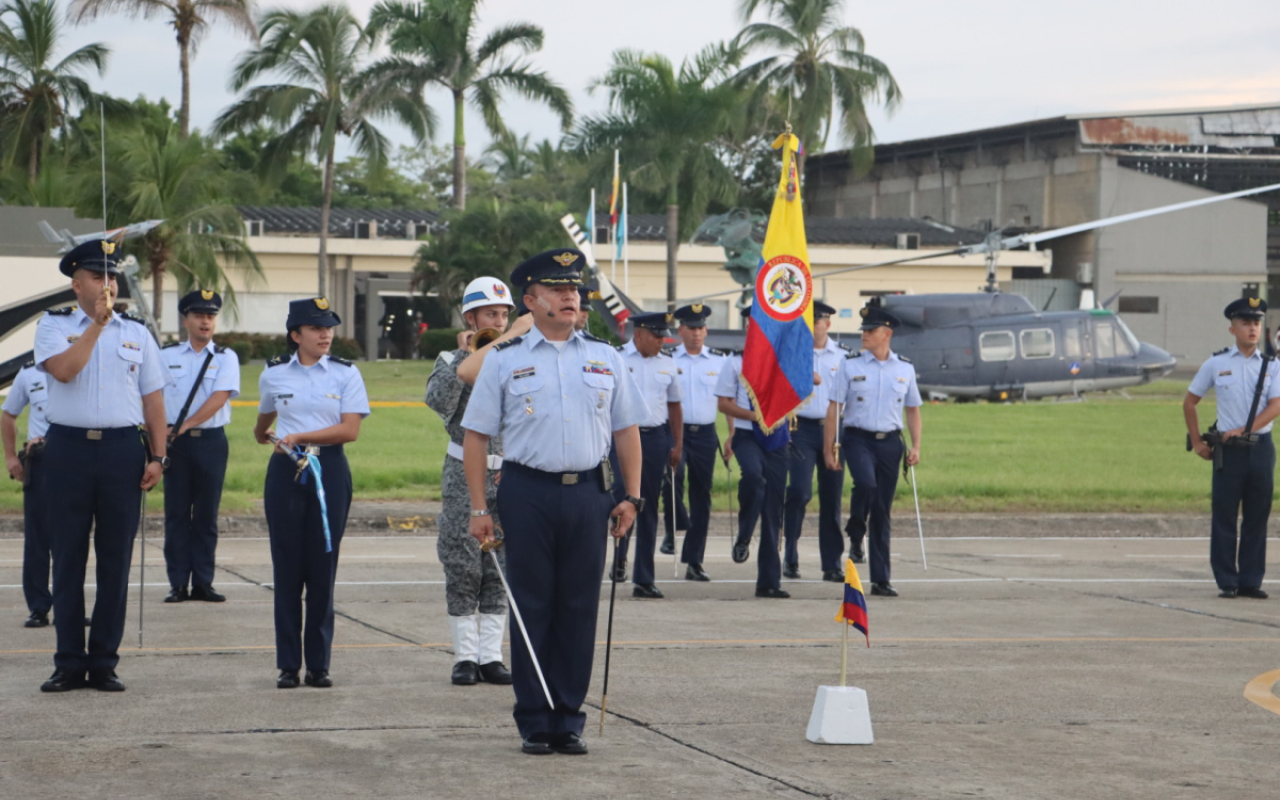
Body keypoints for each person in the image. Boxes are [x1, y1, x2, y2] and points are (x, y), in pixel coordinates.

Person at [462, 248, 644, 756]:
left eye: (575, 289)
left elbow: (627, 430)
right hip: (527, 492)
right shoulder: (504, 359)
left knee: (579, 607)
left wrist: (631, 496)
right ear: (530, 300)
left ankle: (569, 717)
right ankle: (535, 719)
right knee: (533, 605)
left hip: (589, 493)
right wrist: (480, 509)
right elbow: (475, 436)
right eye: (557, 289)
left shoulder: (605, 357)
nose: (570, 296)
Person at [34, 239, 170, 693]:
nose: (108, 285)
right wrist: (96, 326)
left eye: (112, 277)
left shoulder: (137, 333)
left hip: (120, 451)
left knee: (116, 560)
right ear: (76, 284)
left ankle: (104, 661)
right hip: (69, 449)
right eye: (98, 277)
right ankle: (69, 662)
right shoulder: (53, 327)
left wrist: (158, 454)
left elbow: (153, 400)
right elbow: (66, 371)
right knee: (68, 558)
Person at [253, 298, 370, 689]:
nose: (325, 334)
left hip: (328, 469)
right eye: (316, 328)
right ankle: (288, 664)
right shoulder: (274, 375)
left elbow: (350, 430)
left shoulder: (345, 374)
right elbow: (265, 415)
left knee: (323, 567)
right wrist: (262, 433)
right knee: (286, 568)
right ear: (295, 335)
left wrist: (300, 435)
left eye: (329, 327)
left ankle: (318, 664)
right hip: (286, 470)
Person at [426, 276, 527, 686]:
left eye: (505, 315)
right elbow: (438, 403)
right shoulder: (451, 360)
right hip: (462, 472)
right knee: (463, 560)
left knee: (499, 564)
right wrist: (473, 352)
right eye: (491, 314)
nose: (500, 322)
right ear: (470, 317)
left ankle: (491, 656)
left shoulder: (518, 358)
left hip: (510, 469)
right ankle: (465, 656)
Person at [824, 300, 922, 598]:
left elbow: (913, 410)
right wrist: (829, 448)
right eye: (863, 329)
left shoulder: (904, 368)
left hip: (891, 443)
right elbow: (834, 407)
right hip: (857, 438)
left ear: (887, 334)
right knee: (865, 483)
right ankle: (856, 530)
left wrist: (916, 445)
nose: (864, 334)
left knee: (881, 510)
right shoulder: (850, 364)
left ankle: (881, 578)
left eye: (871, 330)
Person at [1184, 296, 1280, 599]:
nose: (1252, 328)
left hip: (1260, 448)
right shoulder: (1217, 363)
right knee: (1224, 515)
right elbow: (1190, 402)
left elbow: (1277, 404)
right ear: (1232, 329)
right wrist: (1197, 440)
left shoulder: (1272, 365)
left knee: (1257, 515)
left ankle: (1251, 580)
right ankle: (1227, 580)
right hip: (1229, 450)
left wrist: (1246, 429)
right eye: (1245, 323)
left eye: (1256, 323)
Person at [161, 290, 240, 604]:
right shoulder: (166, 356)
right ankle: (178, 583)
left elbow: (219, 397)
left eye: (210, 316)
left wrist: (183, 426)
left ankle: (203, 583)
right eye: (199, 315)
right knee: (176, 514)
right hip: (174, 446)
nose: (205, 321)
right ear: (186, 320)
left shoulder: (225, 357)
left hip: (210, 442)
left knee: (206, 515)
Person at [715, 305, 789, 599]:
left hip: (778, 439)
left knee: (774, 510)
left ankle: (769, 582)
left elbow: (810, 382)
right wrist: (755, 416)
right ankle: (744, 534)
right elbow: (723, 404)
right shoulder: (735, 363)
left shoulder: (782, 360)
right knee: (754, 478)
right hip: (747, 435)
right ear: (748, 329)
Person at [616, 312, 683, 598]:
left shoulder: (668, 363)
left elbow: (675, 406)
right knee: (619, 501)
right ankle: (618, 559)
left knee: (648, 506)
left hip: (654, 440)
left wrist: (677, 444)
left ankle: (644, 578)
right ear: (639, 334)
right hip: (620, 440)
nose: (661, 341)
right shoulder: (617, 358)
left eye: (663, 336)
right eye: (656, 336)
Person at [783, 301, 848, 582]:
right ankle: (790, 555)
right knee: (798, 492)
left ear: (828, 324)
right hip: (801, 428)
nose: (813, 327)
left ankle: (832, 563)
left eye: (817, 321)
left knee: (832, 496)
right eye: (808, 322)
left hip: (833, 430)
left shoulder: (844, 357)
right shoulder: (793, 354)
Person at [665, 303, 728, 581]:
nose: (697, 333)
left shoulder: (719, 360)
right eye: (691, 328)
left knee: (702, 496)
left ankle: (694, 560)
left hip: (704, 434)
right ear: (680, 330)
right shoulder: (668, 358)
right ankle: (674, 526)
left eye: (701, 328)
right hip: (674, 432)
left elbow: (730, 397)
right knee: (673, 480)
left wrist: (733, 435)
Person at [2, 360, 52, 628]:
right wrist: (10, 457)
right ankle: (38, 607)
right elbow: (9, 413)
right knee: (37, 539)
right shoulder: (29, 373)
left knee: (74, 540)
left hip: (76, 461)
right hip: (41, 462)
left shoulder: (87, 365)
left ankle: (72, 607)